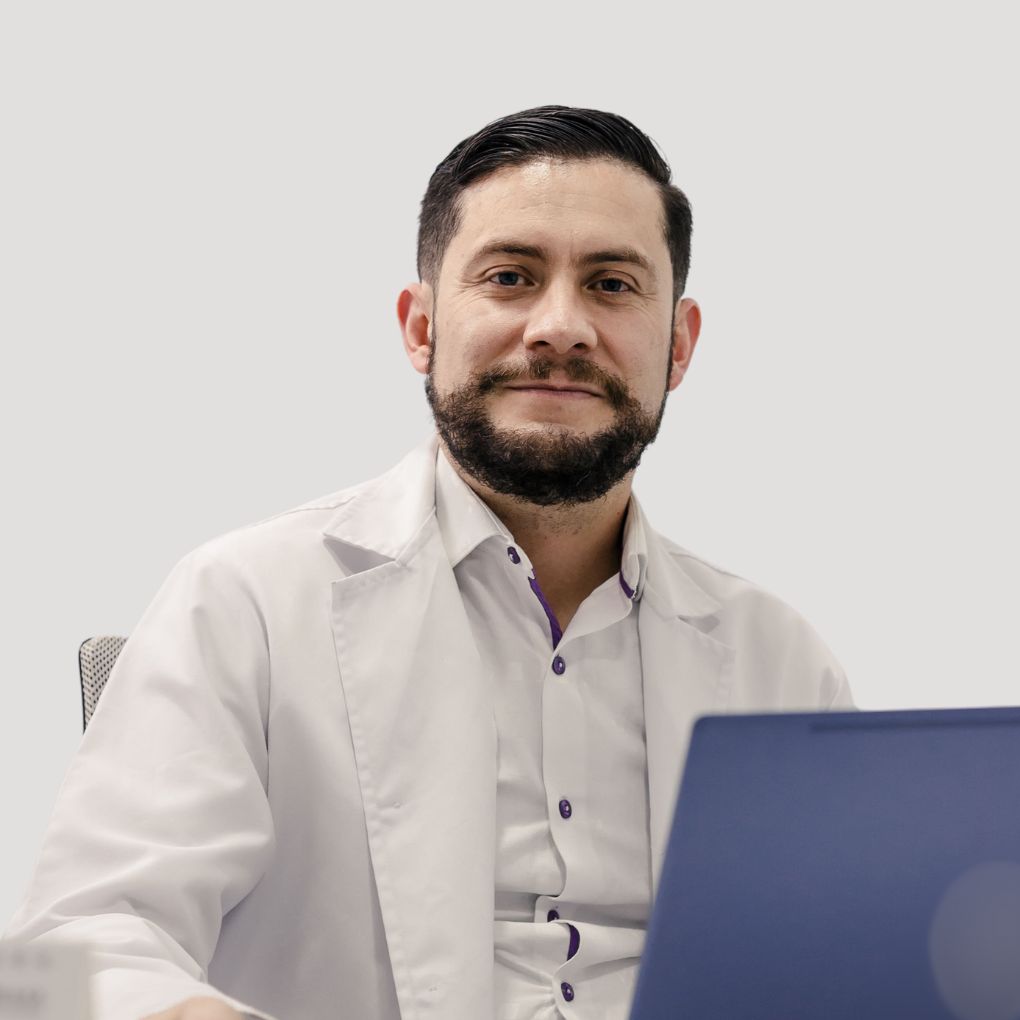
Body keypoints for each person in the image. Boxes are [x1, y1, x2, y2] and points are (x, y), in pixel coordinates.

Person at [3, 105, 853, 1020]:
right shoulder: (243, 601)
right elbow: (75, 946)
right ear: (420, 327)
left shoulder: (778, 658)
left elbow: (853, 961)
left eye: (611, 284)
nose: (560, 326)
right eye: (510, 277)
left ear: (679, 343)